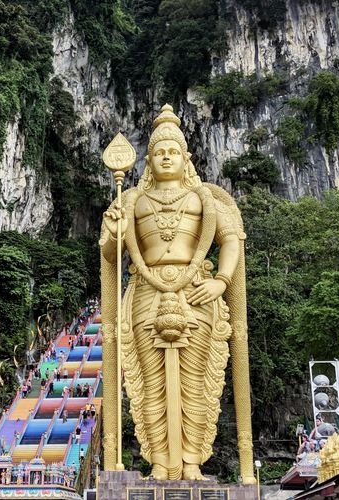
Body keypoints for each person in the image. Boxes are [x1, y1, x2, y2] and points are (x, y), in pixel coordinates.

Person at [100, 105, 249, 480]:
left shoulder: (204, 199)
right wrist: (115, 231)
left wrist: (221, 280)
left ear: (186, 158)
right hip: (146, 293)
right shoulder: (131, 201)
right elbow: (110, 254)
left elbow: (231, 239)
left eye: (173, 152)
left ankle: (192, 462)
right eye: (159, 153)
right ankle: (160, 463)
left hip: (196, 291)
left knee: (195, 382)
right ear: (148, 161)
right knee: (151, 385)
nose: (166, 157)